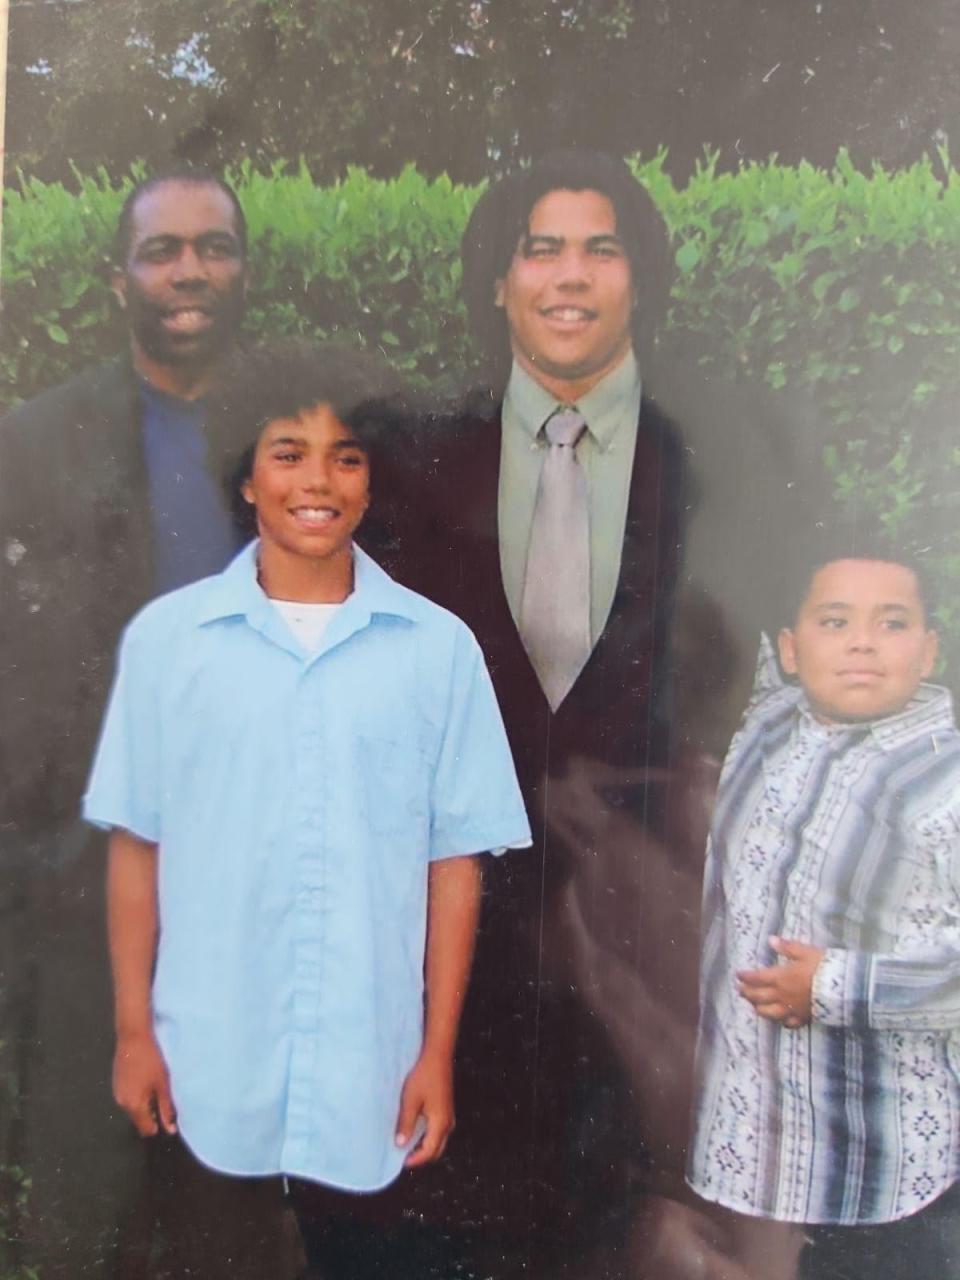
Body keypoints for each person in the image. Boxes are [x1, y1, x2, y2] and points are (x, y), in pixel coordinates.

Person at [389, 147, 814, 1278]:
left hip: (655, 931)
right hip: (464, 954)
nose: (569, 275)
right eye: (541, 247)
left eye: (600, 247)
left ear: (638, 279)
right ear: (498, 281)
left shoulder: (736, 463)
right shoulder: (413, 469)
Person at [83, 340, 531, 1280]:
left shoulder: (436, 651)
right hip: (206, 1060)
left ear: (372, 483)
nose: (317, 481)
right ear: (246, 478)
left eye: (346, 456)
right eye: (288, 453)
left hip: (370, 1072)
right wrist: (134, 1035)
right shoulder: (171, 644)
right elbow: (138, 841)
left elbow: (455, 862)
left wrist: (434, 1054)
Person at [0, 168, 251, 1276]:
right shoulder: (33, 443)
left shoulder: (306, 432)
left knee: (230, 1203)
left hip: (250, 873)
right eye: (162, 251)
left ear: (242, 270)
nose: (189, 270)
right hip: (87, 878)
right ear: (119, 280)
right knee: (83, 1197)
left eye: (213, 246)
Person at [688, 540, 960, 1280]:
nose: (863, 642)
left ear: (931, 649)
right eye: (835, 622)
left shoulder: (945, 779)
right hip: (754, 1149)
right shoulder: (769, 725)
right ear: (791, 649)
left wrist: (837, 985)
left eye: (894, 623)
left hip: (881, 1166)